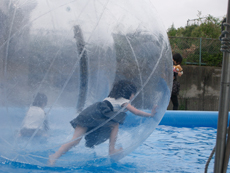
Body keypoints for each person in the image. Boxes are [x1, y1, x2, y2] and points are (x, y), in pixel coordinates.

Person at [48, 80, 156, 166]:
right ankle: (112, 150)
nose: (133, 96)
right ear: (129, 93)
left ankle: (54, 156)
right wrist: (150, 115)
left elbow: (112, 111)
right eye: (133, 93)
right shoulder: (123, 101)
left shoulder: (111, 97)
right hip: (96, 117)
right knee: (115, 123)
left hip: (87, 114)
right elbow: (136, 112)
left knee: (74, 141)